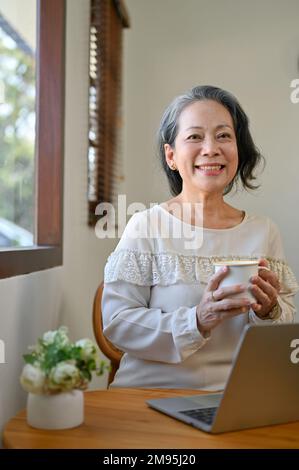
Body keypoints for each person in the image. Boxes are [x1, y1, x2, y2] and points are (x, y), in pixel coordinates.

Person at [102, 85, 299, 390]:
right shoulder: (146, 226)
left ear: (238, 150)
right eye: (194, 137)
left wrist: (269, 311)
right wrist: (196, 320)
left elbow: (284, 333)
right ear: (171, 155)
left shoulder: (264, 231)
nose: (211, 149)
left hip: (236, 399)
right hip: (150, 394)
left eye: (224, 136)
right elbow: (118, 324)